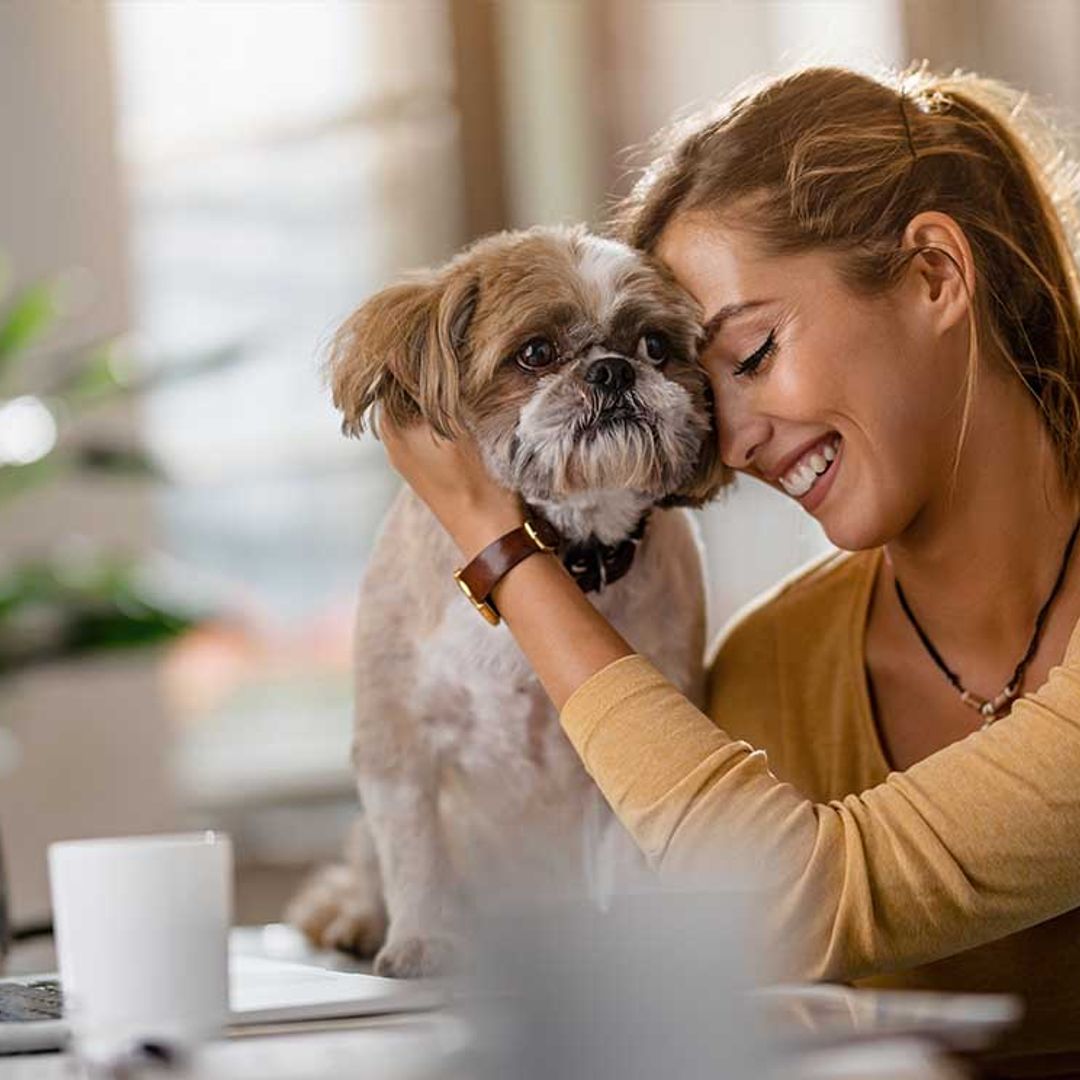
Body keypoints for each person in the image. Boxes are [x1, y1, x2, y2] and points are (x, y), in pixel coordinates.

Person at [375, 65, 1080, 1067]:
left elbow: (809, 902)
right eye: (705, 387)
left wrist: (500, 549)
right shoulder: (773, 662)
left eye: (750, 357)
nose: (735, 440)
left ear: (933, 274)